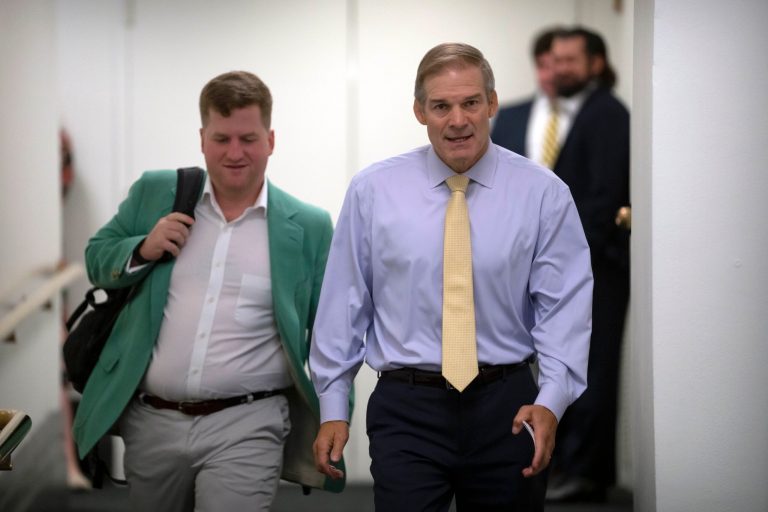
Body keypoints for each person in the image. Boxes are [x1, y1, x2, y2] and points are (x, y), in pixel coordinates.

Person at [310, 43, 593, 511]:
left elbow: (564, 308)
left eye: (471, 103)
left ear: (492, 104)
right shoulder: (373, 191)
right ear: (420, 111)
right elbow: (344, 303)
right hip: (407, 408)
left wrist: (551, 401)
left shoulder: (543, 194)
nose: (458, 120)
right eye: (441, 106)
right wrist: (332, 406)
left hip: (510, 409)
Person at [72, 71, 345, 511]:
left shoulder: (308, 226)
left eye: (248, 138)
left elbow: (333, 334)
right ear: (202, 139)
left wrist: (337, 411)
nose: (235, 152)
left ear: (271, 140)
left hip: (249, 421)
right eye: (222, 139)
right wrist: (141, 247)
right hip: (151, 421)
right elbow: (96, 258)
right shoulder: (157, 193)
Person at [536, 27, 631, 502]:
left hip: (597, 267)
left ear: (596, 63)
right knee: (573, 363)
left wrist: (567, 258)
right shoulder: (587, 112)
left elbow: (602, 196)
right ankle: (571, 467)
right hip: (578, 267)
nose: (560, 68)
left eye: (571, 59)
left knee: (592, 370)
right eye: (555, 60)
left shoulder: (608, 113)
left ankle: (586, 472)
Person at [491, 27, 562, 167]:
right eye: (542, 66)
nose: (549, 75)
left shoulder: (591, 117)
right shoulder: (508, 118)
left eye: (556, 65)